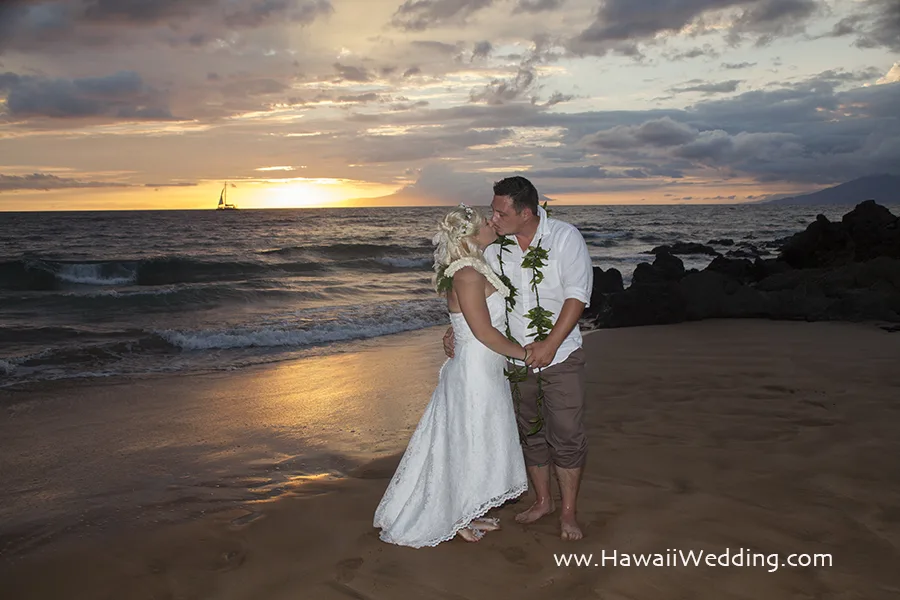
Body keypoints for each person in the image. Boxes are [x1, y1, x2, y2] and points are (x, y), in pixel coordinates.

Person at [443, 176, 593, 540]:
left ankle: (569, 512)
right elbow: (472, 291)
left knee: (568, 434)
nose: (492, 219)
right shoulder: (495, 249)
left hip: (561, 355)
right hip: (513, 361)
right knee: (531, 432)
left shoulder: (564, 238)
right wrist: (456, 327)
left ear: (526, 213)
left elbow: (577, 295)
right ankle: (543, 500)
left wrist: (550, 344)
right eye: (492, 212)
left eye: (499, 212)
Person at [373, 204, 529, 547]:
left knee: (477, 436)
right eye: (487, 222)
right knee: (466, 439)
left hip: (485, 366)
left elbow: (466, 322)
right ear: (471, 236)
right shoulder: (467, 274)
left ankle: (469, 507)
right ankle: (453, 516)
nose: (493, 224)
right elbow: (484, 331)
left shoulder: (474, 267)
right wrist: (526, 354)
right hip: (475, 370)